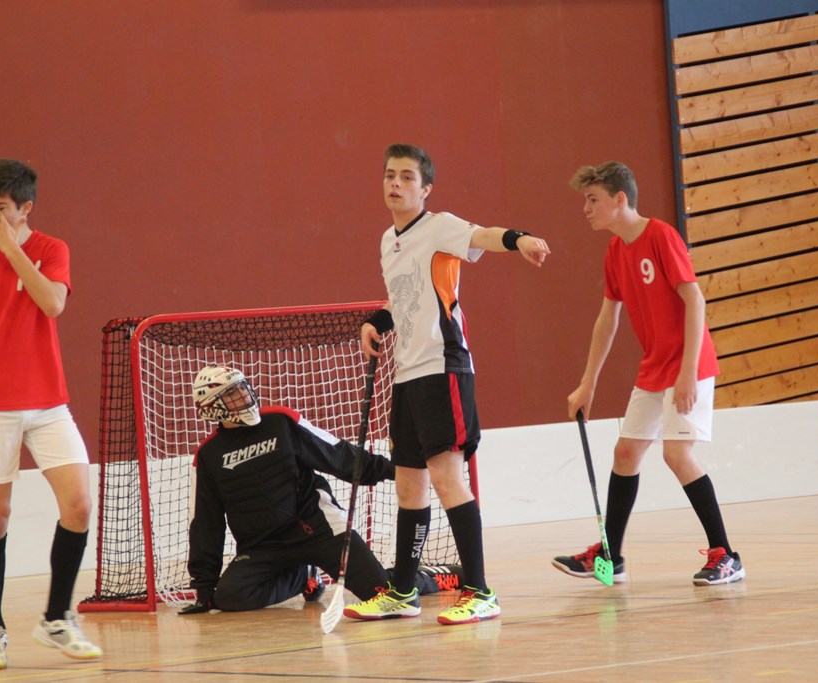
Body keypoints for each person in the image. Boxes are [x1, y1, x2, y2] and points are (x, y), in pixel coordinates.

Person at [343, 143, 551, 625]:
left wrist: (519, 239)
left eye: (407, 177)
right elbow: (402, 297)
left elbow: (484, 235)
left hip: (444, 368)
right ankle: (402, 592)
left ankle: (479, 591)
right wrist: (377, 320)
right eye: (389, 175)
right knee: (408, 484)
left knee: (446, 477)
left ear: (426, 189)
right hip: (407, 374)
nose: (396, 183)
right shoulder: (388, 240)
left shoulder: (439, 227)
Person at [553, 161, 745, 586]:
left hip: (689, 364)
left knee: (676, 454)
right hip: (655, 366)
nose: (586, 209)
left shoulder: (660, 236)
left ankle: (726, 555)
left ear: (620, 199)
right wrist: (588, 383)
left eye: (593, 200)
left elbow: (695, 300)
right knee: (626, 453)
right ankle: (611, 557)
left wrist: (688, 372)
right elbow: (608, 320)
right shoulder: (615, 251)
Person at [0, 159, 103, 671]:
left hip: (48, 403)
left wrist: (11, 250)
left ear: (25, 208)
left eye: (0, 207)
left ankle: (56, 618)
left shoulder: (50, 249)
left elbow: (53, 304)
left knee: (78, 504)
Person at [179, 365, 455, 616]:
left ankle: (435, 576)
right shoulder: (208, 455)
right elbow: (205, 523)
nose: (244, 397)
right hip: (263, 547)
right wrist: (204, 589)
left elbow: (337, 454)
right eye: (232, 395)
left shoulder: (280, 421)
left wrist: (400, 470)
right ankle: (305, 577)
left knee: (382, 593)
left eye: (243, 389)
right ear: (211, 407)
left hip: (320, 529)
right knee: (229, 597)